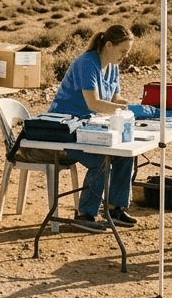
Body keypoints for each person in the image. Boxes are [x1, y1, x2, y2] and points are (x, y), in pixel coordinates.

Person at [49, 24, 138, 233]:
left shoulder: (113, 67)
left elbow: (115, 99)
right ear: (109, 45)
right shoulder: (87, 63)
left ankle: (115, 208)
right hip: (65, 128)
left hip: (88, 127)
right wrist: (126, 108)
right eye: (123, 51)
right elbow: (94, 103)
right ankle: (85, 214)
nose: (125, 56)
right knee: (101, 160)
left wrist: (137, 107)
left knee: (125, 155)